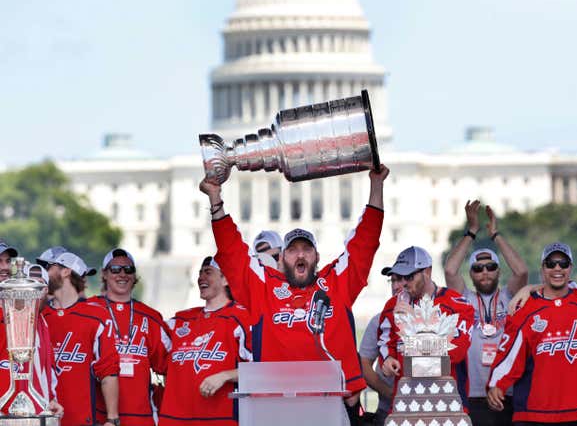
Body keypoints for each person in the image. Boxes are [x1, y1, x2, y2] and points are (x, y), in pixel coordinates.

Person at [200, 164, 389, 425]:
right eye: (292, 250)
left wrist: (376, 185)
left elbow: (365, 241)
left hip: (332, 406)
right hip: (277, 408)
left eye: (306, 249)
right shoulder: (264, 288)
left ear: (317, 257)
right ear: (282, 259)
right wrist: (215, 198)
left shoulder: (335, 284)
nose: (300, 254)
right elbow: (232, 252)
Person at [487, 242, 577, 425]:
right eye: (550, 264)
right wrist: (497, 383)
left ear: (571, 268)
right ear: (542, 269)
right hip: (534, 412)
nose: (557, 268)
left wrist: (530, 286)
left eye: (563, 263)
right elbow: (510, 352)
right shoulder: (525, 308)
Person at [443, 200, 528, 426]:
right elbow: (450, 269)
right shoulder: (465, 299)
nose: (485, 272)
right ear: (470, 274)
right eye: (478, 269)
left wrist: (495, 234)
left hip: (506, 392)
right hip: (473, 393)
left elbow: (521, 271)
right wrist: (471, 232)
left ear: (499, 270)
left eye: (491, 267)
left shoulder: (511, 297)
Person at [378, 246, 475, 408]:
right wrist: (387, 359)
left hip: (448, 405)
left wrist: (416, 322)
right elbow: (385, 343)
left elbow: (455, 353)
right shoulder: (392, 306)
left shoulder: (458, 305)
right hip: (405, 405)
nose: (403, 283)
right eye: (399, 277)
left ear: (427, 272)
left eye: (409, 276)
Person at [159, 256, 252, 426]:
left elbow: (261, 370)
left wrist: (225, 376)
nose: (201, 277)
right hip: (175, 419)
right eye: (200, 273)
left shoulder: (242, 318)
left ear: (225, 279)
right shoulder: (180, 320)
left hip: (221, 419)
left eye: (208, 272)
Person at [87, 248, 171, 426]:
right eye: (115, 269)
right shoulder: (89, 311)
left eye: (128, 269)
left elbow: (171, 366)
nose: (122, 274)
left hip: (141, 416)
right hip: (99, 417)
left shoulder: (151, 316)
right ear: (104, 274)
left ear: (134, 276)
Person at [42, 251, 120, 426]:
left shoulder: (96, 315)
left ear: (65, 271)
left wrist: (112, 420)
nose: (42, 272)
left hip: (81, 419)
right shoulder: (38, 315)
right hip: (42, 417)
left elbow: (108, 371)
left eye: (47, 267)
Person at [0, 251, 63, 416]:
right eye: (29, 287)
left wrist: (50, 400)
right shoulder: (7, 315)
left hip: (35, 408)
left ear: (47, 291)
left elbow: (45, 370)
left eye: (39, 288)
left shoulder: (42, 322)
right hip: (8, 410)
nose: (33, 294)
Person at [358, 267, 406, 426]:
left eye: (401, 279)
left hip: (426, 411)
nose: (396, 285)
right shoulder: (378, 321)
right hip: (387, 411)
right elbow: (363, 365)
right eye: (393, 280)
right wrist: (390, 394)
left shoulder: (430, 317)